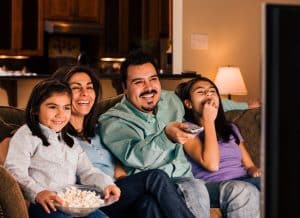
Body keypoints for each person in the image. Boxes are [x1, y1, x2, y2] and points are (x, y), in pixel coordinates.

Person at [51, 65, 195, 218]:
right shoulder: (56, 138)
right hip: (90, 199)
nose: (85, 93)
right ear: (60, 94)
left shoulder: (100, 129)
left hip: (117, 193)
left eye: (89, 87)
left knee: (148, 203)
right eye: (76, 88)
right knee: (155, 177)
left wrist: (134, 187)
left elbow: (119, 172)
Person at [99, 51, 212, 217]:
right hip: (149, 187)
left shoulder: (171, 101)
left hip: (184, 179)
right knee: (148, 204)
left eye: (153, 79)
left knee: (206, 188)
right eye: (139, 82)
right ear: (124, 87)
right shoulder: (113, 121)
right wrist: (166, 137)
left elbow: (210, 101)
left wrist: (248, 104)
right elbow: (137, 156)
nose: (149, 88)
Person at [4, 79, 120, 218]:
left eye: (66, 107)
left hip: (72, 202)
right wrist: (38, 192)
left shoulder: (70, 141)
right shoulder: (26, 135)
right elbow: (15, 171)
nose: (61, 114)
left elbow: (88, 171)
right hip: (44, 204)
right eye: (52, 107)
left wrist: (106, 184)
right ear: (35, 109)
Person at [175, 76, 261, 217]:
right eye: (201, 92)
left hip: (244, 179)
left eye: (212, 91)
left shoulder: (231, 128)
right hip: (213, 186)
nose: (208, 94)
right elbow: (211, 165)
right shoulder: (186, 130)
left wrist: (255, 171)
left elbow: (249, 165)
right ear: (189, 103)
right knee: (241, 189)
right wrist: (208, 121)